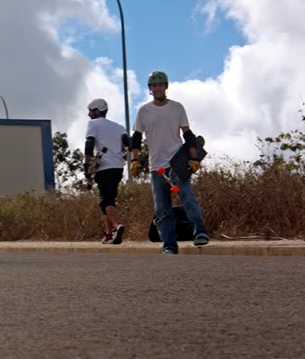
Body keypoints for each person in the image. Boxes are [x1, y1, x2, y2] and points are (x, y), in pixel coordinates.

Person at [129, 71, 210, 254]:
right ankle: (169, 245)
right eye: (154, 86)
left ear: (166, 87)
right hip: (156, 166)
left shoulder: (177, 108)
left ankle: (200, 232)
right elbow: (136, 138)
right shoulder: (144, 111)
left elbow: (187, 135)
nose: (157, 88)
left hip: (176, 162)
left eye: (160, 85)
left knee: (188, 199)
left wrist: (194, 158)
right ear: (150, 89)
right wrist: (134, 160)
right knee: (162, 209)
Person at [83, 98, 128, 244]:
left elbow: (89, 145)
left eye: (90, 111)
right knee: (111, 200)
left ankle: (117, 226)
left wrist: (86, 165)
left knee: (105, 200)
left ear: (97, 110)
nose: (89, 114)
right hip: (119, 166)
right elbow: (129, 143)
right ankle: (109, 235)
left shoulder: (93, 124)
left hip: (104, 166)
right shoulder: (119, 126)